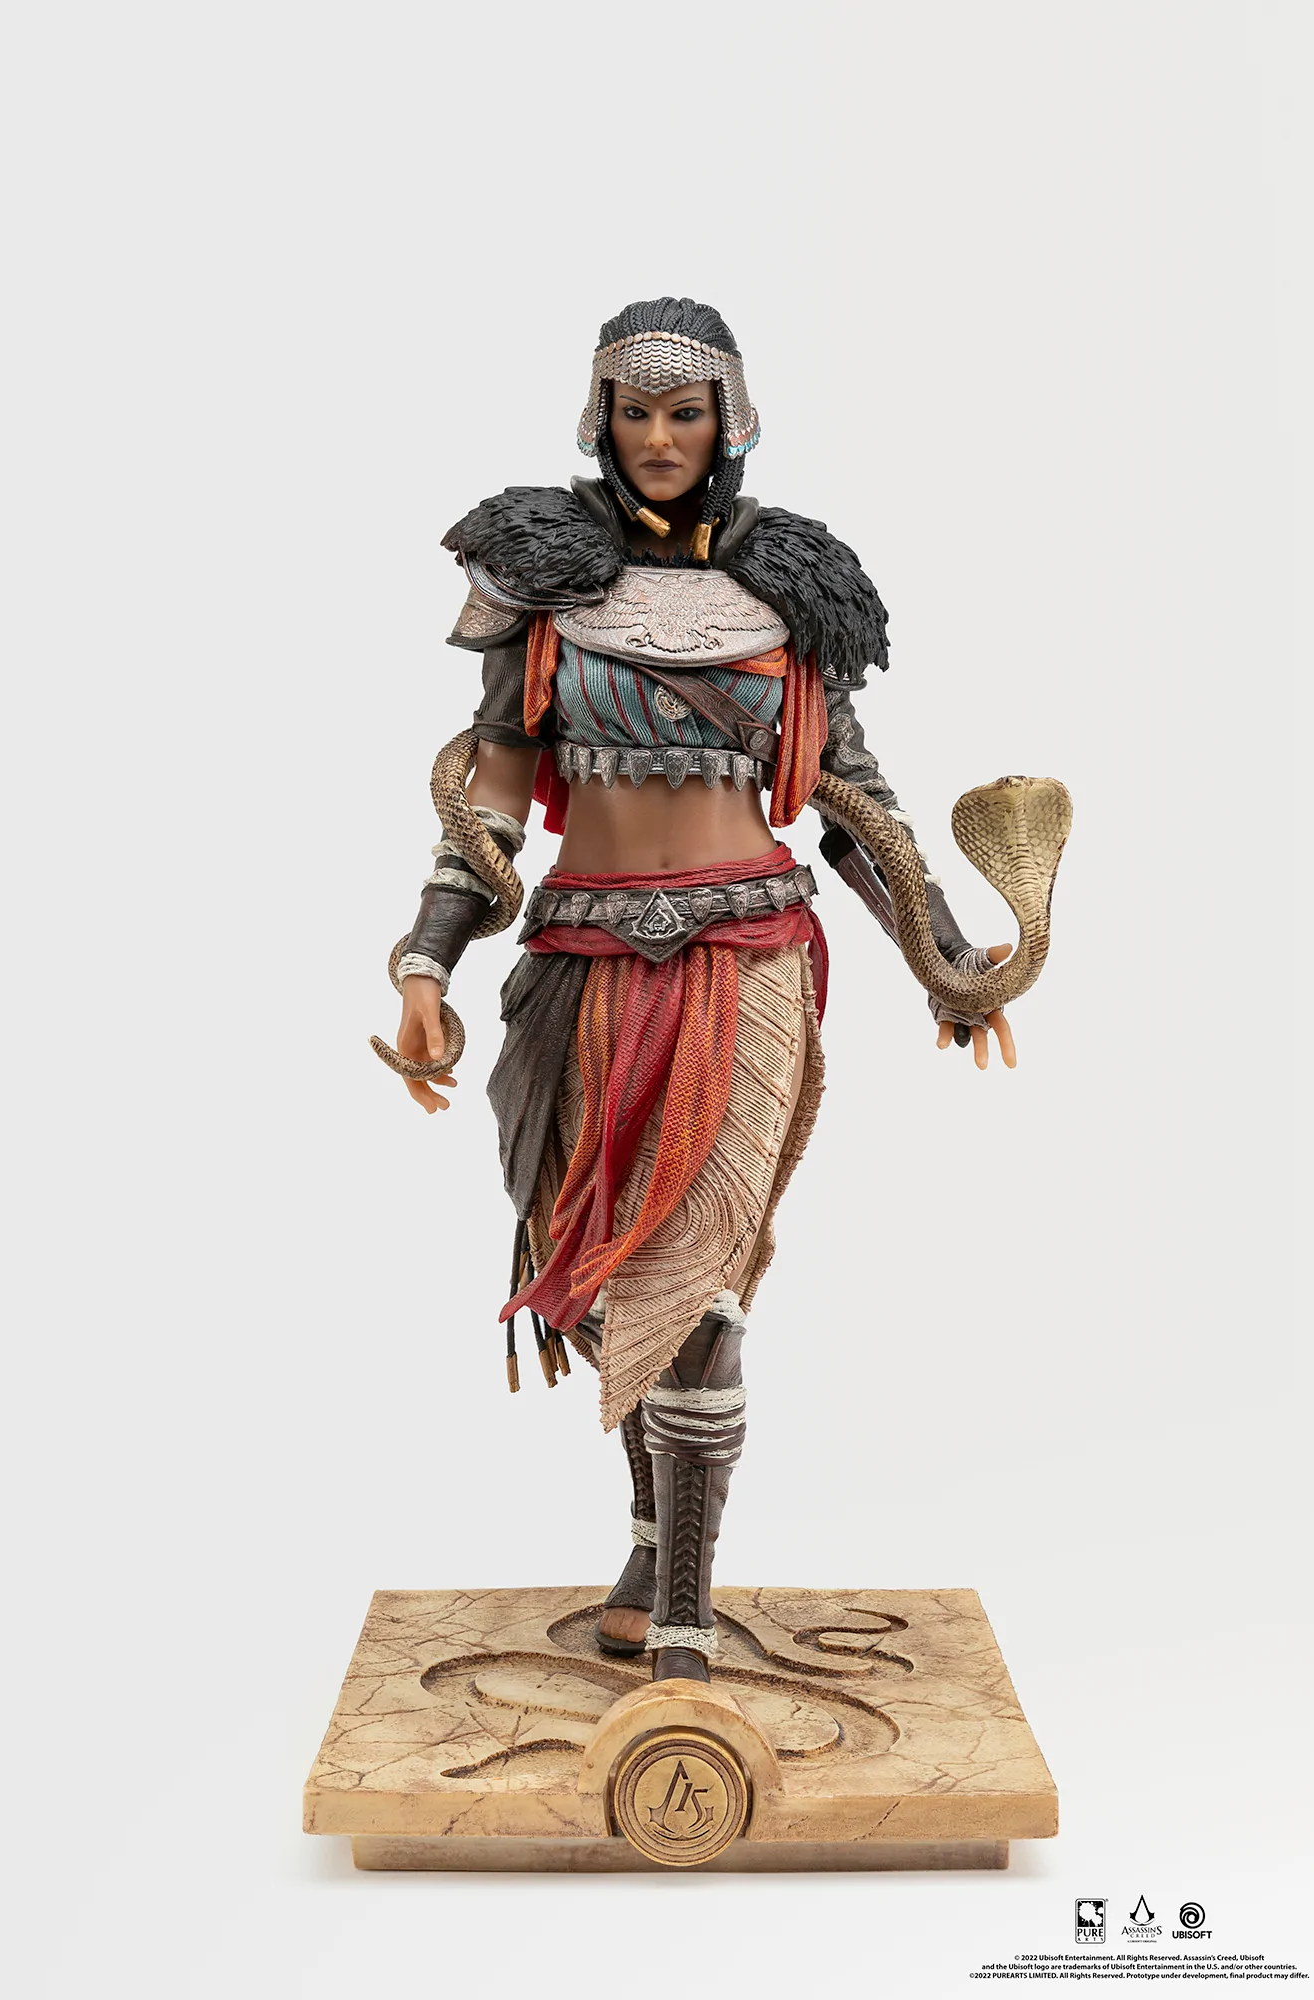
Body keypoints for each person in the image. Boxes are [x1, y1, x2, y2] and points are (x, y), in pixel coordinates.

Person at [389, 298, 1013, 1684]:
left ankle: (682, 1614)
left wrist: (947, 958)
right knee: (598, 1269)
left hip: (746, 960)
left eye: (685, 412)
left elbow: (857, 804)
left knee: (699, 1278)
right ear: (599, 419)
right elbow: (489, 797)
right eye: (636, 411)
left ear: (728, 420)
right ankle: (643, 1534)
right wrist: (428, 958)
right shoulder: (534, 575)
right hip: (577, 969)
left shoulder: (795, 585)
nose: (660, 438)